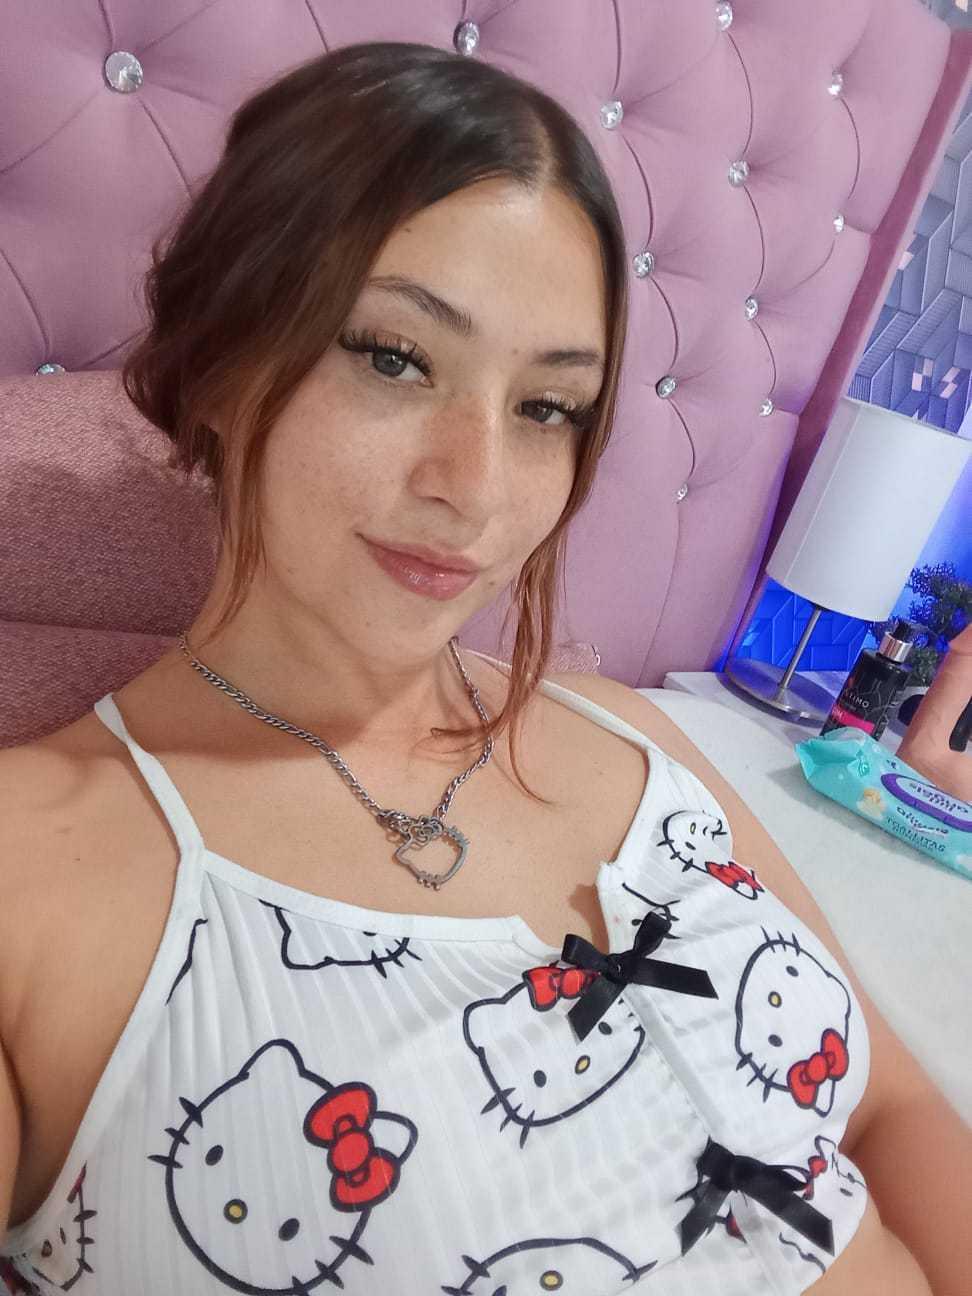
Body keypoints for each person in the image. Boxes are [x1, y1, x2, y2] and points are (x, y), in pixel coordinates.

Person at [0, 40, 967, 1296]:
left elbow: (888, 1105)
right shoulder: (39, 873)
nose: (477, 488)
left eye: (546, 407)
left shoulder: (635, 738)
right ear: (228, 355)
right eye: (393, 357)